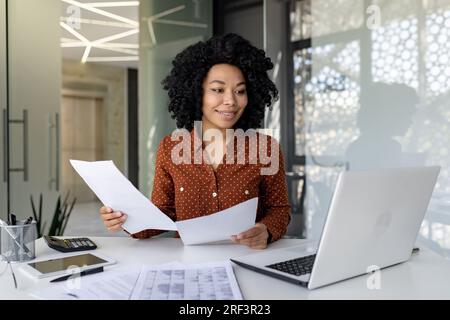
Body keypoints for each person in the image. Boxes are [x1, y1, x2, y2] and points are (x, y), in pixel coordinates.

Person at [99, 33, 291, 249]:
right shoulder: (170, 148)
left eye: (240, 91)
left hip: (247, 260)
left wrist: (265, 230)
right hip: (188, 265)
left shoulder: (266, 148)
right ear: (196, 93)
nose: (230, 100)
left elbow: (279, 210)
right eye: (218, 90)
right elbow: (162, 214)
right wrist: (127, 219)